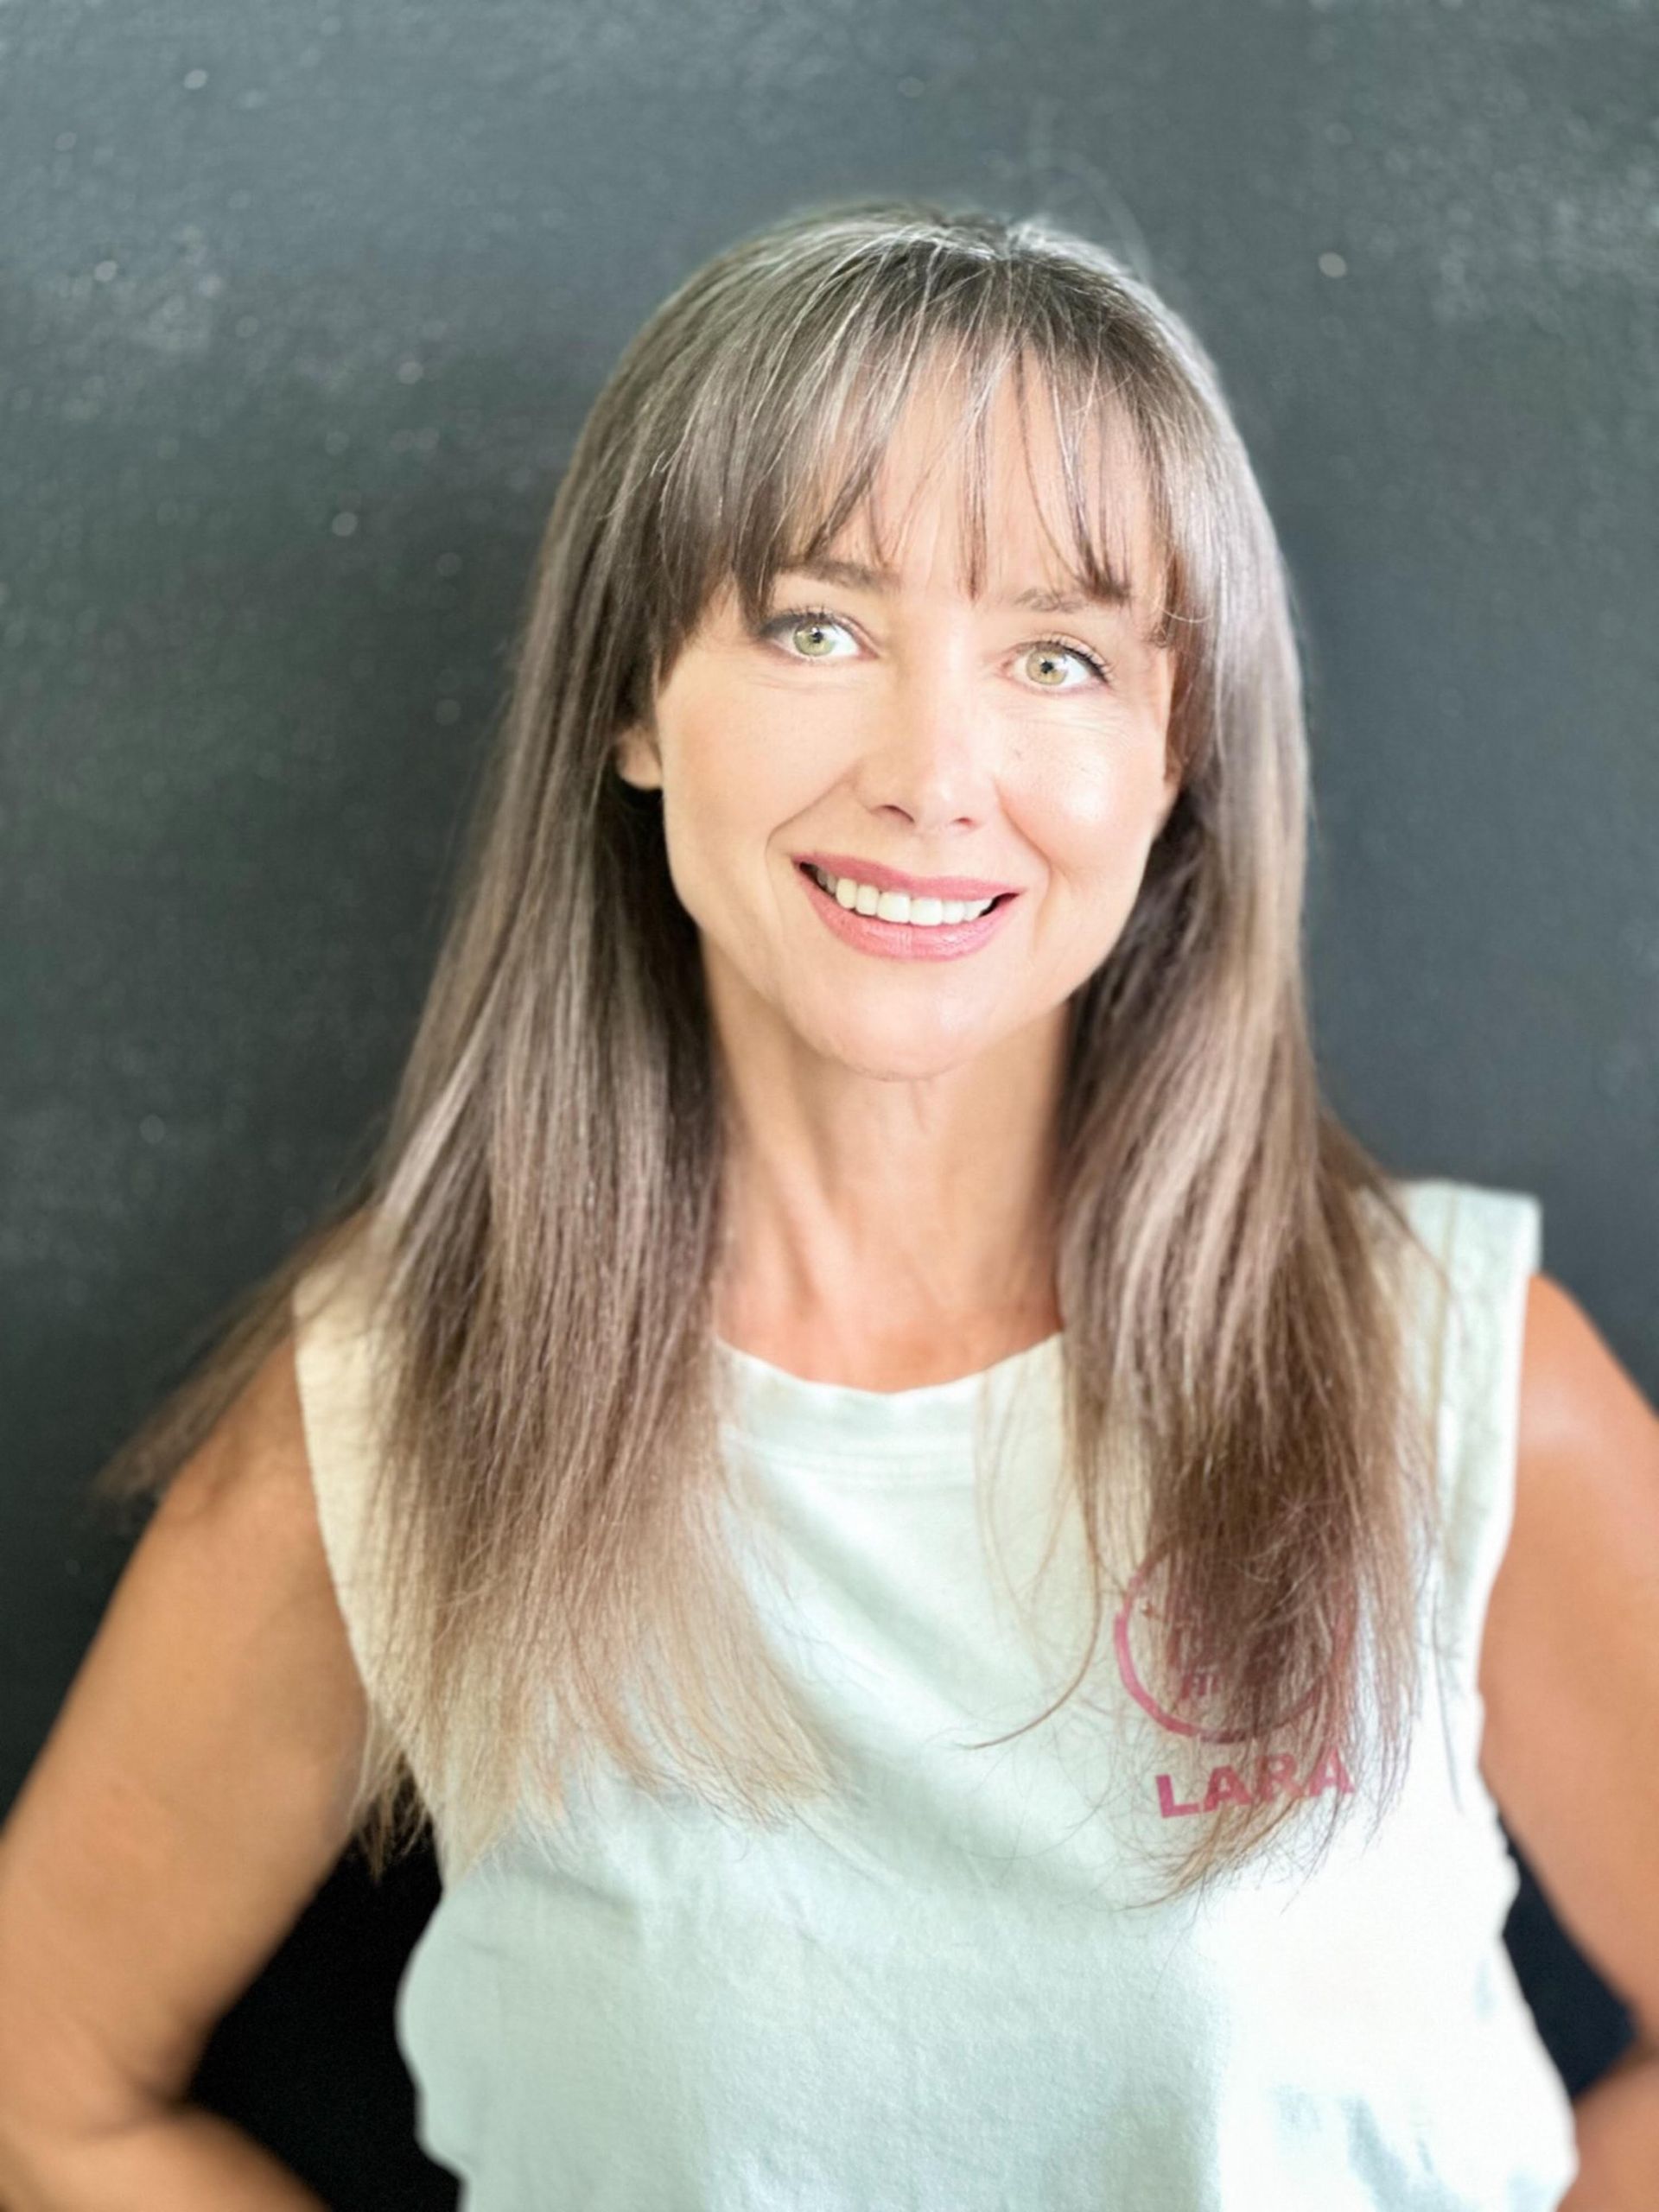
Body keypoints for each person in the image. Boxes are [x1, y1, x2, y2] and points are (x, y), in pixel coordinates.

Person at [0, 196, 1655, 2212]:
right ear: (631, 699)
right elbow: (43, 2076)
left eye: (1056, 652)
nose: (934, 769)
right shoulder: (399, 1422)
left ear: (1172, 758)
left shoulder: (1453, 1386)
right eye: (818, 624)